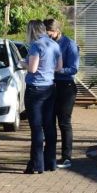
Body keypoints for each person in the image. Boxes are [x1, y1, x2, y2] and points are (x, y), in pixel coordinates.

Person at [23, 19, 61, 174]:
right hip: (50, 87)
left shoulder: (36, 45)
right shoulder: (54, 45)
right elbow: (59, 67)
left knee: (37, 127)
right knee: (49, 125)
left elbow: (32, 69)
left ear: (32, 30)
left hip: (35, 88)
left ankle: (36, 164)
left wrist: (22, 63)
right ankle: (50, 162)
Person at [44, 18, 79, 168]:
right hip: (50, 85)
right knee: (49, 121)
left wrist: (58, 70)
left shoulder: (69, 44)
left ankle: (66, 157)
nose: (48, 34)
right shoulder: (46, 43)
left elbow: (74, 68)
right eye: (46, 31)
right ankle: (49, 156)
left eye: (50, 32)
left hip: (65, 86)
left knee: (64, 122)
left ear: (57, 30)